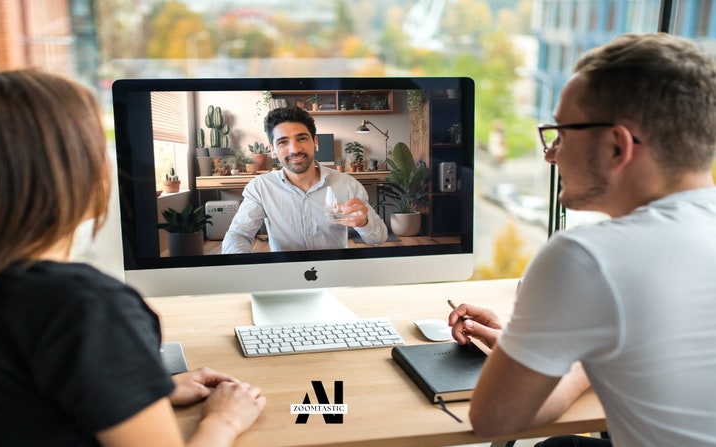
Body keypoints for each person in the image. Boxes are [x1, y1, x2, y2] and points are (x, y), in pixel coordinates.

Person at [0, 69, 265, 447]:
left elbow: (10, 405)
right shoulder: (81, 307)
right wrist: (223, 420)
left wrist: (141, 389)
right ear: (72, 170)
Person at [449, 33, 716, 447]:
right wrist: (554, 343)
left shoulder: (587, 257)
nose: (550, 154)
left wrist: (573, 353)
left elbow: (494, 419)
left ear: (616, 146)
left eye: (561, 133)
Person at [222, 106, 387, 253]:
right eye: (283, 142)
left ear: (315, 142)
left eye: (302, 138)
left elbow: (379, 238)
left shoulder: (348, 185)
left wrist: (364, 222)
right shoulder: (260, 187)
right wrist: (242, 266)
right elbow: (239, 234)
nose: (294, 149)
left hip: (335, 273)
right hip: (285, 275)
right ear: (272, 149)